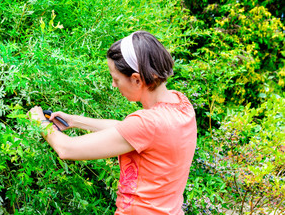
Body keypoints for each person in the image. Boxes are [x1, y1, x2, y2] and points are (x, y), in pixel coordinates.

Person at [28, 31, 197, 214]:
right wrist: (74, 121)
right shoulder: (181, 104)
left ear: (137, 79)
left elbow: (67, 149)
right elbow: (128, 131)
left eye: (115, 79)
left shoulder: (148, 123)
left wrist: (40, 123)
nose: (114, 85)